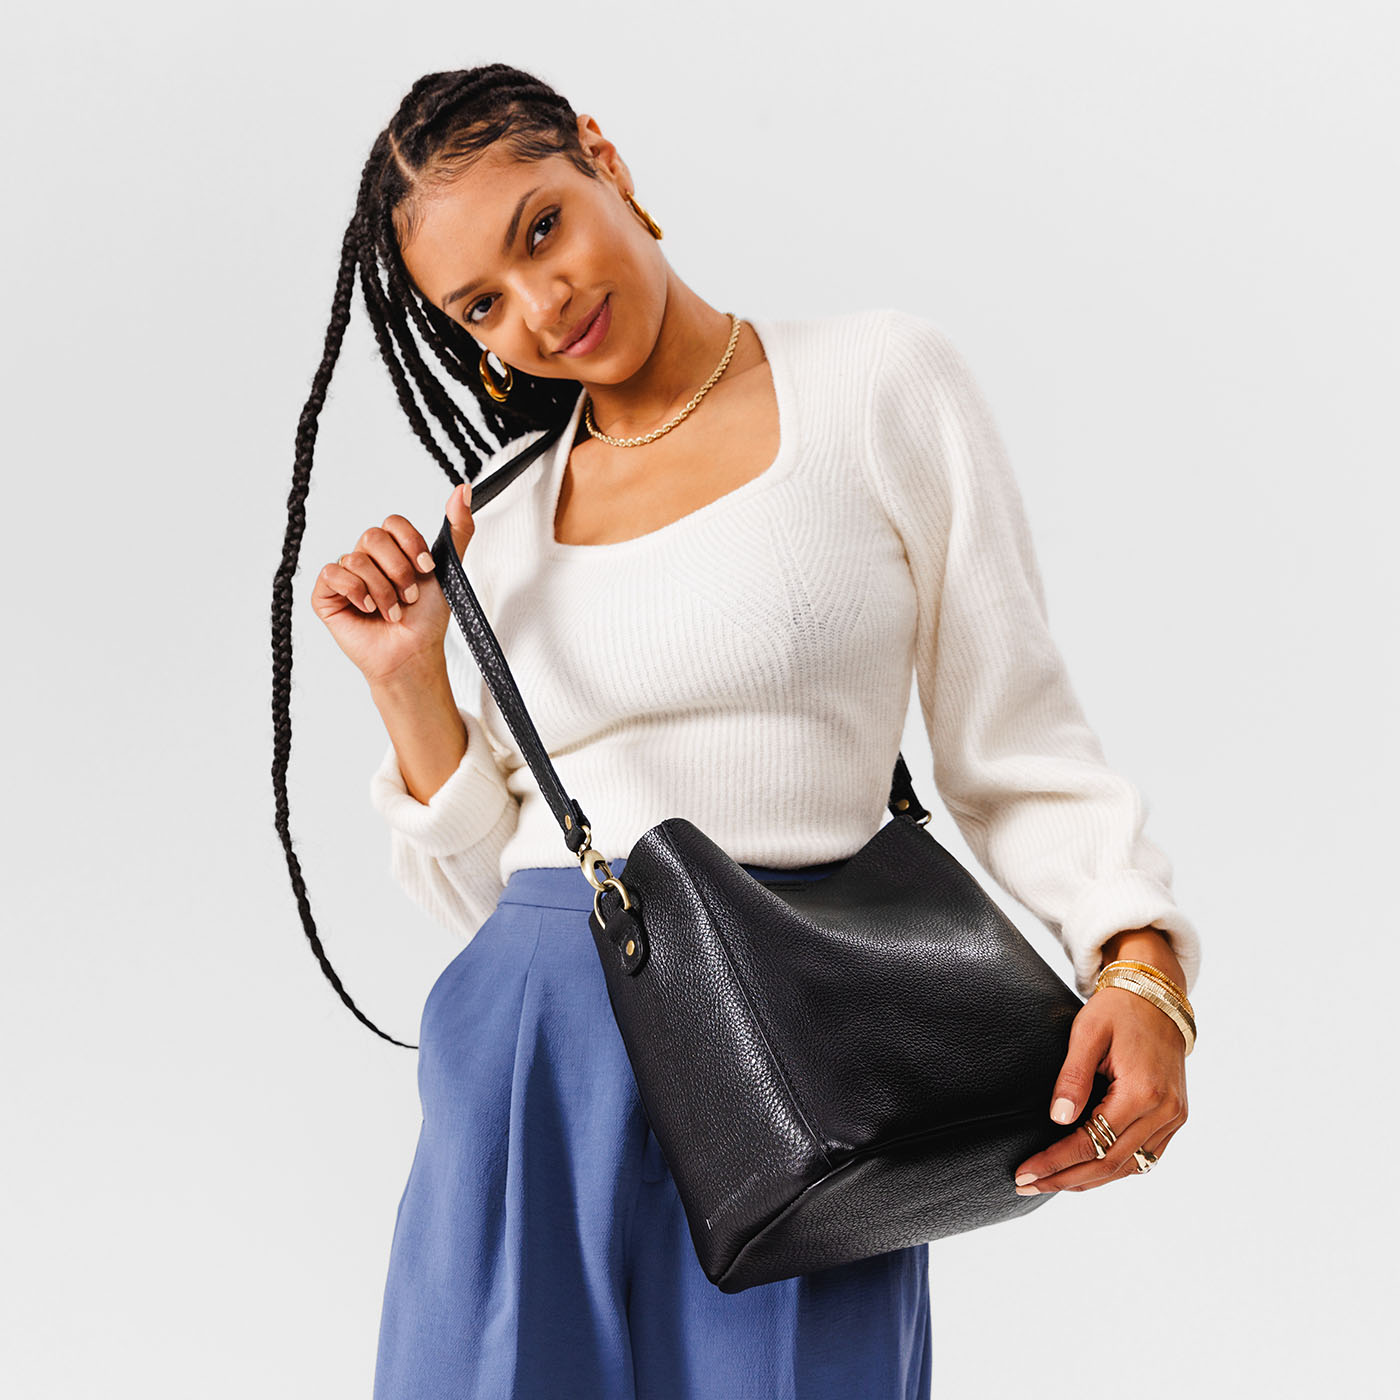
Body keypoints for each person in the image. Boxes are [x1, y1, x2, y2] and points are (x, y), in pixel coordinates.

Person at [270, 62, 1202, 1400]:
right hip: (535, 1065)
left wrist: (1138, 964)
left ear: (605, 159)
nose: (541, 305)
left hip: (809, 1061)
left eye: (543, 227)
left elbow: (1017, 744)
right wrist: (410, 678)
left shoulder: (877, 384)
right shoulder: (497, 521)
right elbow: (483, 891)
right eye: (483, 303)